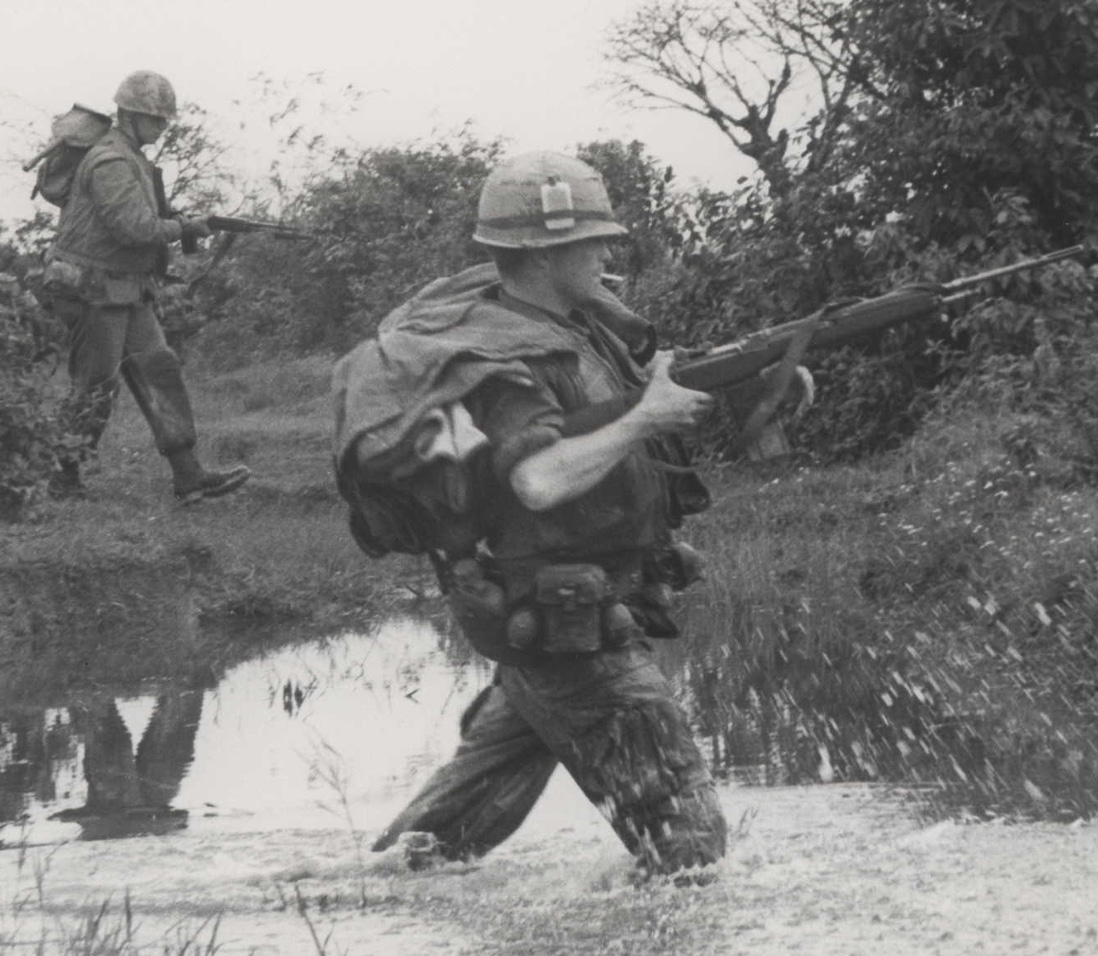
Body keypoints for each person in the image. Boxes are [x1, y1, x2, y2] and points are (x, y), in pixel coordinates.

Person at [333, 151, 727, 877]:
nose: (610, 250)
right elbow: (541, 481)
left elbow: (643, 405)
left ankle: (340, 907)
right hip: (572, 634)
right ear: (546, 252)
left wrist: (761, 380)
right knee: (689, 852)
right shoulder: (502, 358)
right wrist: (644, 420)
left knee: (431, 852)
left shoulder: (581, 328)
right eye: (595, 239)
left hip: (570, 619)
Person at [41, 70, 250, 503]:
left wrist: (180, 221)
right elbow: (134, 228)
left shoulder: (132, 156)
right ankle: (62, 477)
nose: (162, 128)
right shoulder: (111, 161)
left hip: (127, 289)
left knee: (159, 369)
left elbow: (143, 217)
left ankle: (189, 476)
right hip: (94, 289)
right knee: (97, 384)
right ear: (130, 115)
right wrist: (180, 226)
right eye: (156, 120)